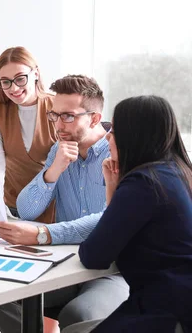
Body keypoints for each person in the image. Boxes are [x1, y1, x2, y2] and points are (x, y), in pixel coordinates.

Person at [0, 75, 129, 332]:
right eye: (54, 115)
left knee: (79, 314)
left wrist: (44, 234)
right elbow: (27, 210)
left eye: (68, 116)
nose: (57, 124)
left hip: (112, 269)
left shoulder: (121, 153)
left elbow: (112, 220)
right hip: (65, 264)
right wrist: (53, 170)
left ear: (94, 118)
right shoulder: (59, 150)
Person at [61, 96, 192, 333]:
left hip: (168, 312)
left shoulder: (144, 183)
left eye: (114, 130)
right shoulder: (178, 172)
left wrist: (116, 187)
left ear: (134, 136)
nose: (109, 137)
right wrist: (113, 186)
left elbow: (94, 255)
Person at [0, 46, 57, 222]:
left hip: (53, 205)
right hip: (12, 205)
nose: (14, 88)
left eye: (20, 79)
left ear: (36, 74)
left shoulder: (57, 107)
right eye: (5, 81)